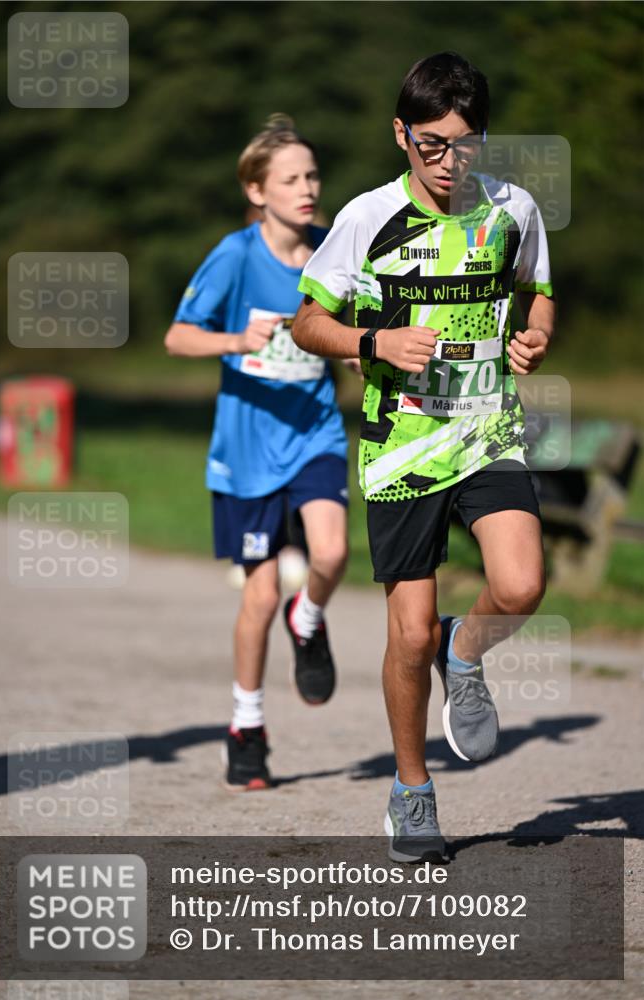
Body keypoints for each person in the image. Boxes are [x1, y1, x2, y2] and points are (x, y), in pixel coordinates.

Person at [293, 53, 555, 861]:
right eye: (431, 144)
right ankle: (411, 792)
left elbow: (536, 290)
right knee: (406, 635)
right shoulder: (367, 217)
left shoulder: (511, 209)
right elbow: (308, 322)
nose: (447, 162)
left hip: (486, 432)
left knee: (521, 584)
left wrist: (535, 334)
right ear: (400, 134)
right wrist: (372, 342)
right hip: (401, 446)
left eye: (464, 144)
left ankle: (463, 649)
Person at [164, 115, 349, 792]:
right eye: (290, 179)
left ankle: (311, 616)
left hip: (314, 431)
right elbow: (177, 337)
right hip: (246, 451)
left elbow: (351, 329)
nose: (307, 189)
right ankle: (246, 727)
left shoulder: (332, 249)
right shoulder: (235, 255)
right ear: (256, 191)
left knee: (330, 553)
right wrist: (236, 341)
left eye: (312, 176)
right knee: (261, 595)